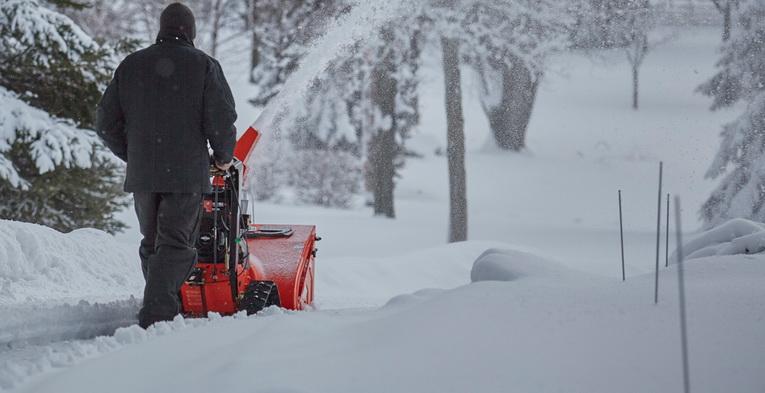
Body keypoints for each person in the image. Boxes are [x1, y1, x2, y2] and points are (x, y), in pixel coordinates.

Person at [96, 2, 237, 329]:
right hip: (186, 174)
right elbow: (221, 119)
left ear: (161, 29)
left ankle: (165, 306)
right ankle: (157, 318)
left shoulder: (131, 65)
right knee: (175, 245)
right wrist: (223, 157)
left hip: (144, 175)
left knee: (153, 243)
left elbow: (105, 124)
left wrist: (133, 155)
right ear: (191, 32)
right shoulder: (203, 65)